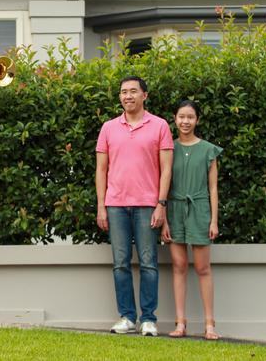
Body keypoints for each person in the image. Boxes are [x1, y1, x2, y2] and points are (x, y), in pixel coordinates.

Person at [95, 76, 173, 336]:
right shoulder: (108, 128)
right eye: (123, 92)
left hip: (147, 205)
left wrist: (161, 204)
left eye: (133, 91)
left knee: (149, 264)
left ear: (144, 96)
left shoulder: (160, 126)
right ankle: (127, 317)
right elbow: (101, 170)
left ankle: (148, 319)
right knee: (120, 263)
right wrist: (101, 206)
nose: (127, 96)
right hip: (115, 205)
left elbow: (166, 170)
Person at [161, 100, 222, 340]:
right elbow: (162, 186)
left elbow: (213, 188)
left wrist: (213, 220)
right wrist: (164, 219)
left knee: (203, 268)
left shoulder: (208, 150)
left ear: (197, 120)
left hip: (200, 211)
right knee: (178, 266)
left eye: (190, 117)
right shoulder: (167, 148)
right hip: (174, 210)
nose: (185, 121)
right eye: (181, 117)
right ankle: (180, 323)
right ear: (174, 119)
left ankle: (209, 324)